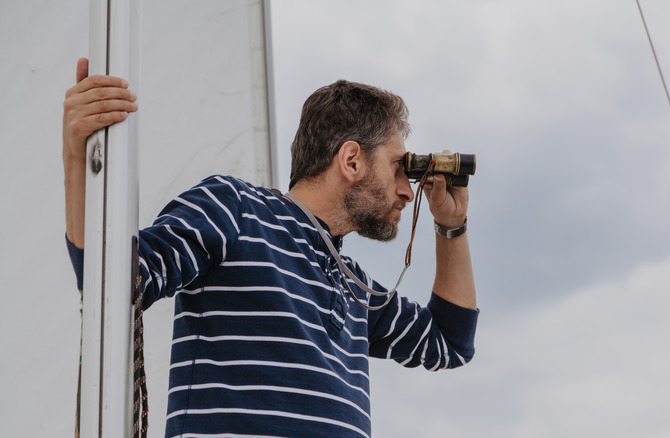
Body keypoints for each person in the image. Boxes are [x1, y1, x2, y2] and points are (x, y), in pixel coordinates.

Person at [63, 57, 478, 437]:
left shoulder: (355, 285)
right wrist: (77, 159)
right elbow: (115, 281)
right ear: (351, 160)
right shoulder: (236, 209)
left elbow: (449, 342)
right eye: (397, 167)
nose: (408, 191)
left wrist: (451, 225)